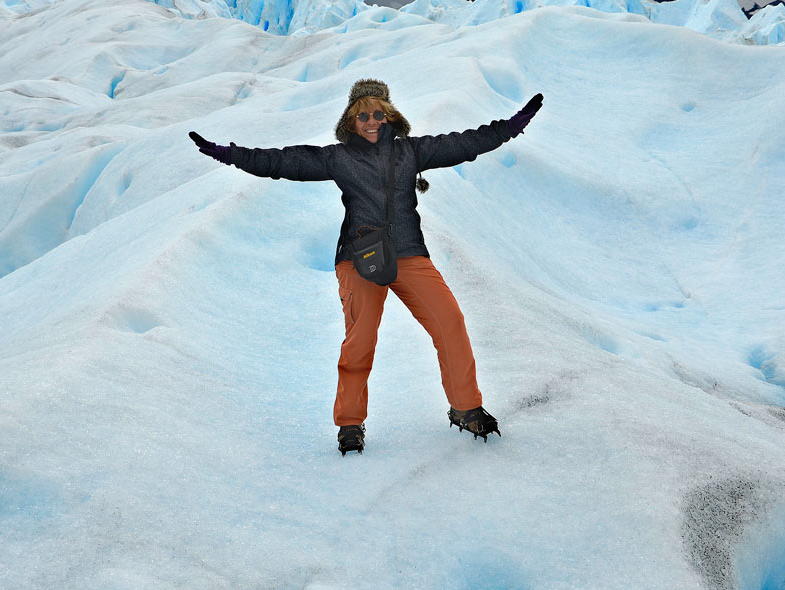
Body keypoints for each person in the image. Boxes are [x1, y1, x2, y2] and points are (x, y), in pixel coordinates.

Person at [189, 78, 542, 455]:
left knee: (450, 320)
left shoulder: (411, 152)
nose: (370, 121)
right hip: (360, 259)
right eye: (362, 116)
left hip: (408, 254)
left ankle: (465, 407)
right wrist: (230, 154)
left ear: (389, 115)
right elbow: (281, 161)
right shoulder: (338, 158)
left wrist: (509, 127)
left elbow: (465, 142)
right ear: (350, 121)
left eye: (377, 113)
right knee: (361, 340)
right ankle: (350, 424)